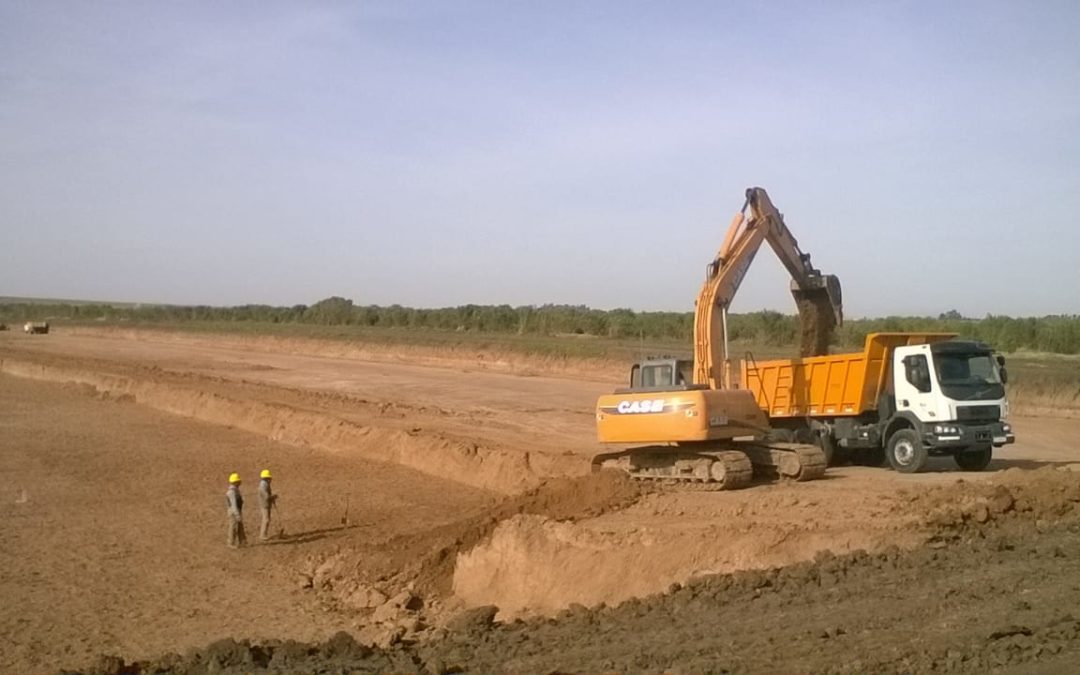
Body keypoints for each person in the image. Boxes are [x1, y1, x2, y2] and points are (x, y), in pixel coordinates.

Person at [225, 472, 246, 548]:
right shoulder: (231, 492)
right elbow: (233, 505)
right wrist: (237, 515)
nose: (240, 482)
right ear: (235, 482)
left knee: (240, 526)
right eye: (238, 481)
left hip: (237, 510)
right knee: (233, 527)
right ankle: (230, 543)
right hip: (233, 512)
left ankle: (242, 541)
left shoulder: (236, 490)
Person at [257, 468, 277, 541]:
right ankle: (262, 535)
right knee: (266, 519)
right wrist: (273, 497)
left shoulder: (265, 484)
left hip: (266, 504)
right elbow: (266, 496)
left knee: (266, 519)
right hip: (264, 504)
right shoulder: (263, 486)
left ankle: (263, 534)